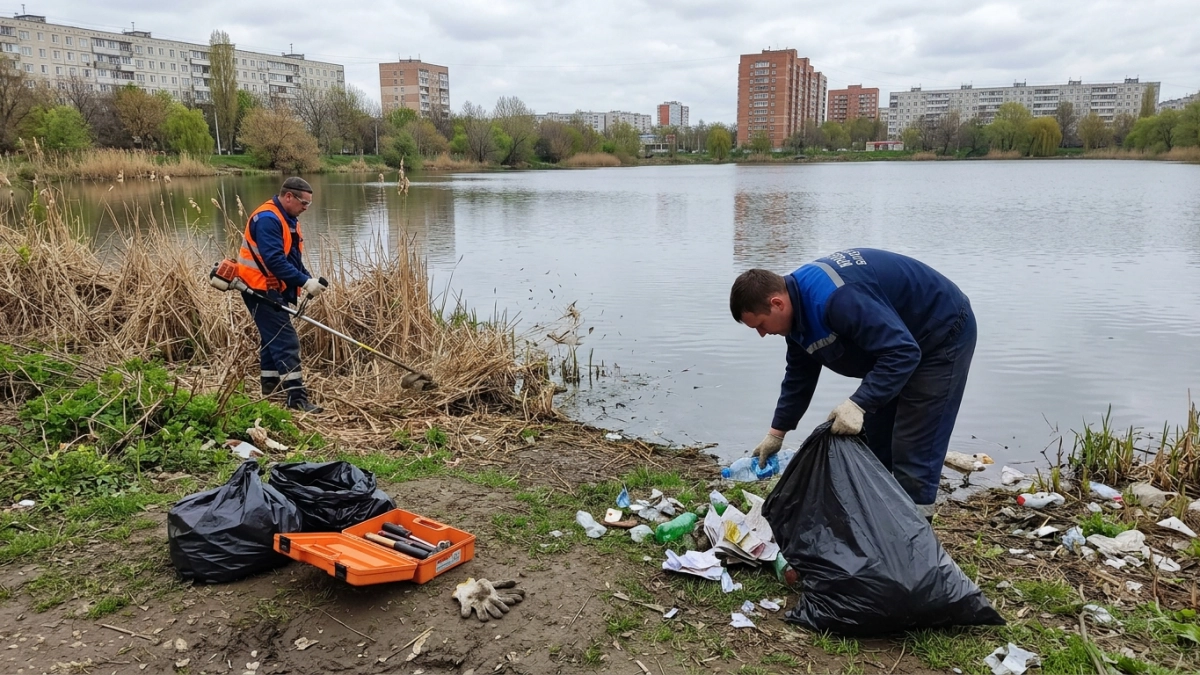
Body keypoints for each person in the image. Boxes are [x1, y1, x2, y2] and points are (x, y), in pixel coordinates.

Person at [729, 248, 976, 518]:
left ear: (777, 303)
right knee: (874, 443)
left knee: (913, 447)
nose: (763, 334)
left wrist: (858, 403)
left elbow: (903, 353)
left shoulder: (837, 299)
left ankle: (916, 542)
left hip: (942, 334)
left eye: (761, 325)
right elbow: (799, 377)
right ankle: (879, 524)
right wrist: (777, 433)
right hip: (894, 347)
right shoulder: (797, 313)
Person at [235, 177, 327, 413]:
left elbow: (291, 259)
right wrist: (304, 281)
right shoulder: (268, 219)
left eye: (308, 205)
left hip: (272, 288)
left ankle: (270, 386)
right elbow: (274, 260)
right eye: (304, 203)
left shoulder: (288, 219)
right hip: (258, 288)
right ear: (289, 197)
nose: (306, 209)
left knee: (272, 338)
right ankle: (296, 399)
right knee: (286, 341)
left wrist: (308, 279)